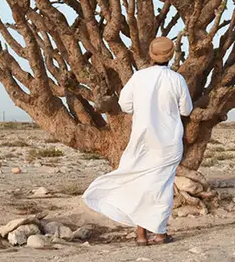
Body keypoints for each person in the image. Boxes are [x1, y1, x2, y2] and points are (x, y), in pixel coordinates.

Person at [82, 36, 193, 246]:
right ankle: (159, 233)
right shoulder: (176, 79)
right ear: (171, 56)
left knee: (139, 182)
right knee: (161, 186)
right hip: (168, 142)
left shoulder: (138, 77)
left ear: (151, 55)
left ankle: (141, 235)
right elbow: (186, 109)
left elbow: (125, 104)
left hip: (141, 140)